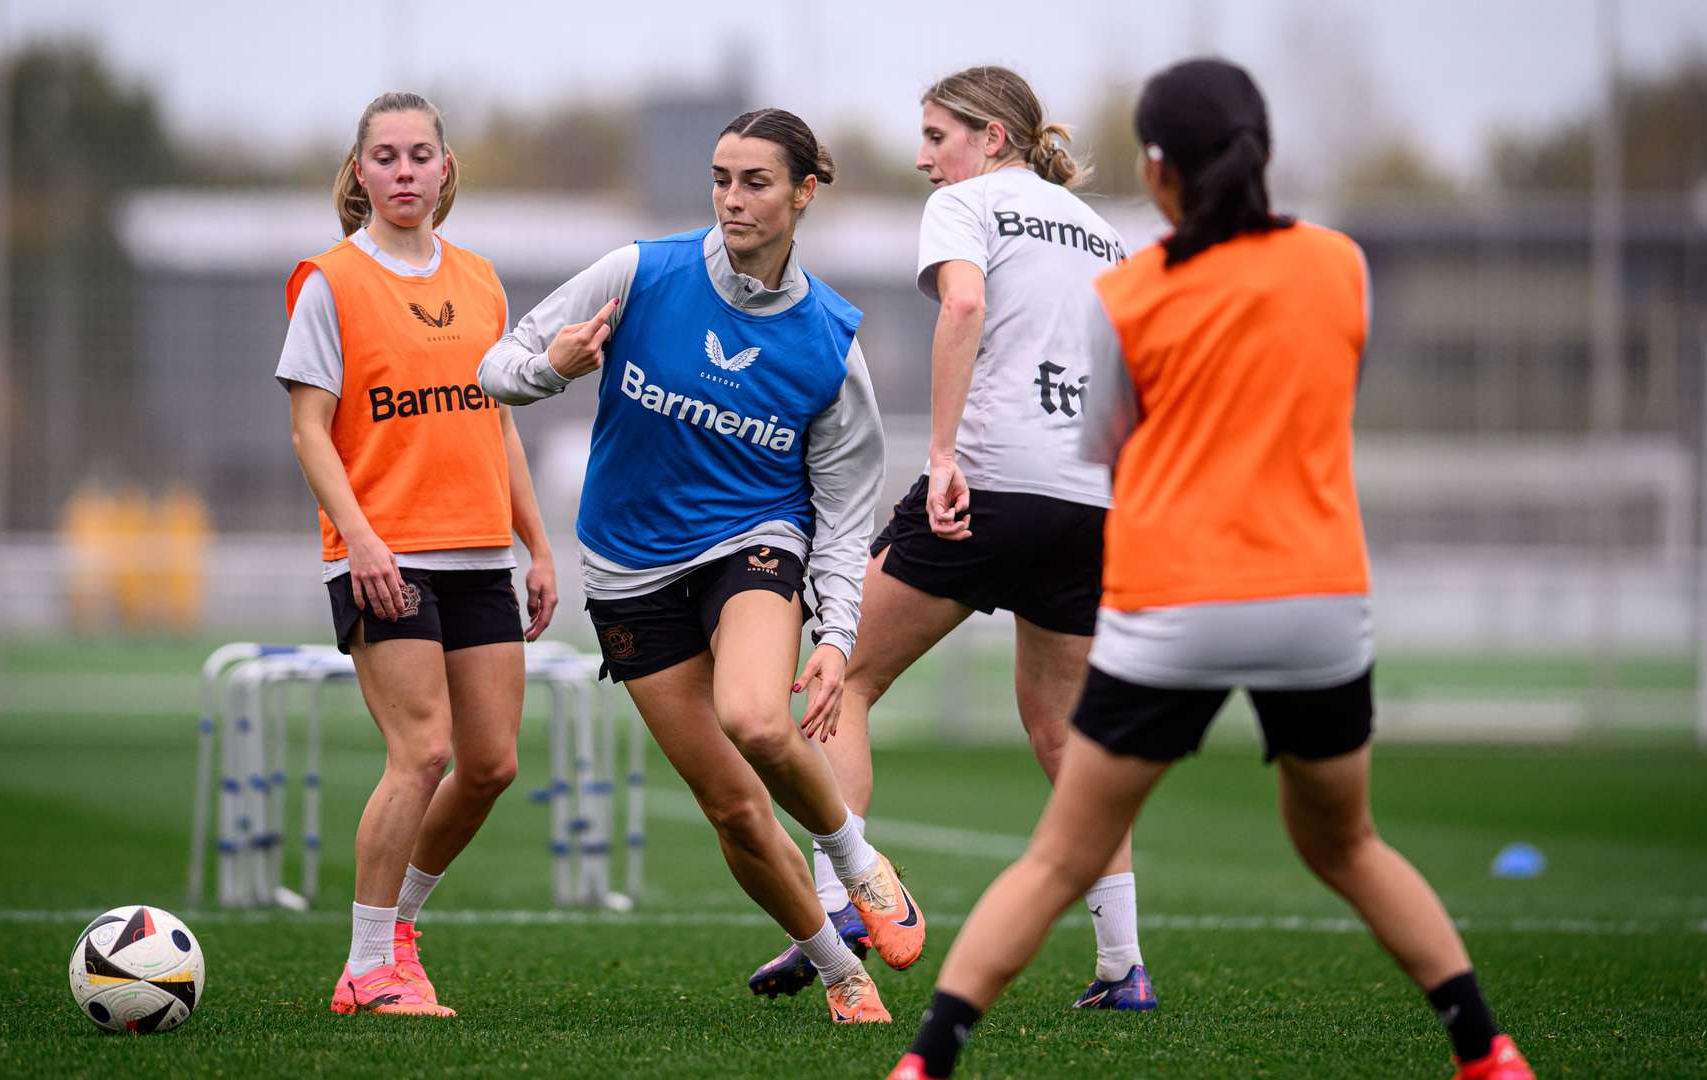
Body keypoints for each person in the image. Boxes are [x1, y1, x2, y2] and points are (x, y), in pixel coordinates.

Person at [888, 59, 1534, 1080]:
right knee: (1349, 847)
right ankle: (1487, 1049)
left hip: (1179, 597)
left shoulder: (1132, 294)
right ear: (1260, 150)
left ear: (1157, 170)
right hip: (1318, 597)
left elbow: (1110, 447)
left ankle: (927, 1061)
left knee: (1060, 854)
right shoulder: (1341, 265)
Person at [480, 107, 920, 1025]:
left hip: (753, 539)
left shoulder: (831, 342)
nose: (732, 199)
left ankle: (858, 863)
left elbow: (844, 511)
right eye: (721, 179)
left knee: (756, 717)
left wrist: (837, 635)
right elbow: (497, 367)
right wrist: (553, 366)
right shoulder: (640, 271)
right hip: (626, 568)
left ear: (803, 193)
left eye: (755, 181)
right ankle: (839, 969)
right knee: (732, 809)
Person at [745, 65, 1154, 1012]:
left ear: (991, 139)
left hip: (988, 485)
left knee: (842, 679)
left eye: (937, 135)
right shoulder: (1105, 234)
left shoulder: (967, 205)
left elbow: (963, 306)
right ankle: (1122, 966)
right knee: (1065, 735)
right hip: (1091, 497)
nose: (925, 157)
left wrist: (940, 454)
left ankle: (842, 906)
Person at [277, 91, 558, 1018]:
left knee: (491, 764)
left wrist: (537, 544)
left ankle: (395, 927)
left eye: (420, 155)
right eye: (386, 156)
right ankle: (367, 968)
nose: (404, 171)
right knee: (422, 751)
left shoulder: (481, 281)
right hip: (383, 554)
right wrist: (360, 540)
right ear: (359, 173)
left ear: (446, 169)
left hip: (481, 554)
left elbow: (499, 426)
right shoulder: (329, 281)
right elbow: (310, 432)